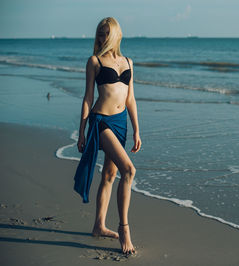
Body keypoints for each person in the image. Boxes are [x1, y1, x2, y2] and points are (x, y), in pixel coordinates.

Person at [74, 17, 141, 255]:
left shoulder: (129, 62)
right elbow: (88, 98)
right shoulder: (94, 61)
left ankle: (98, 226)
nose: (102, 38)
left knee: (110, 175)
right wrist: (81, 130)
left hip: (121, 123)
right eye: (99, 34)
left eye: (106, 33)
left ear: (116, 34)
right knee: (129, 171)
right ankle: (124, 229)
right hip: (101, 122)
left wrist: (136, 129)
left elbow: (130, 99)